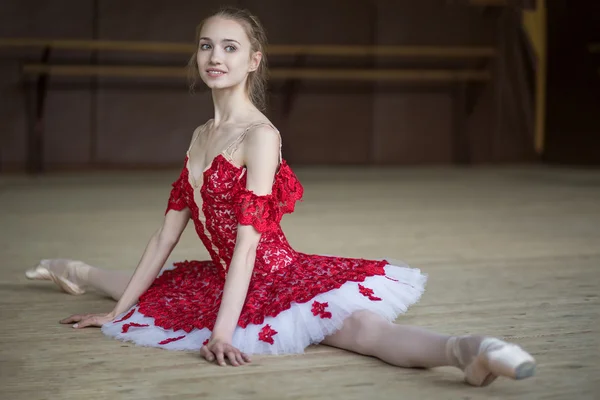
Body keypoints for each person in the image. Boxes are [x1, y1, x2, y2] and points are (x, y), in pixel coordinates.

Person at [25, 6, 535, 387]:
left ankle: (471, 349)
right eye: (206, 45)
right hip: (227, 275)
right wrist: (117, 317)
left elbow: (248, 243)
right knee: (133, 290)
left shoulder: (260, 136)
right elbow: (166, 233)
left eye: (229, 47)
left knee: (361, 330)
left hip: (272, 273)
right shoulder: (202, 133)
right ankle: (71, 270)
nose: (215, 57)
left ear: (253, 60)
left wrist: (221, 335)